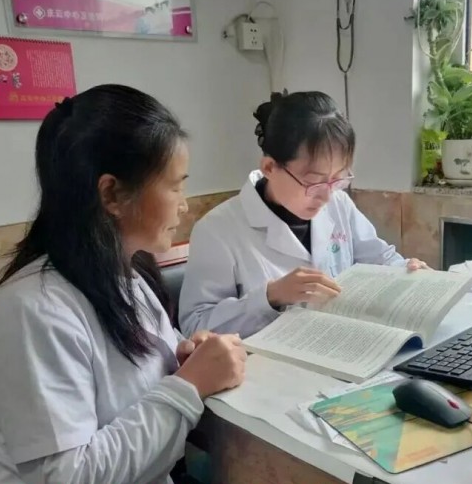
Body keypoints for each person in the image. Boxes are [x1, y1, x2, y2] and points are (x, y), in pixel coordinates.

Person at [0, 84, 245, 484]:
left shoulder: (125, 279)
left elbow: (132, 388)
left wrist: (180, 360)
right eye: (175, 186)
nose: (184, 206)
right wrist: (186, 388)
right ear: (112, 193)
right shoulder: (31, 311)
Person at [178, 90, 428, 338]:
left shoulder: (339, 203)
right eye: (313, 182)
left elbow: (380, 259)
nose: (326, 196)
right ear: (269, 167)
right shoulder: (218, 230)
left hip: (342, 344)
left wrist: (406, 271)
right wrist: (271, 297)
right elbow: (195, 325)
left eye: (338, 179)